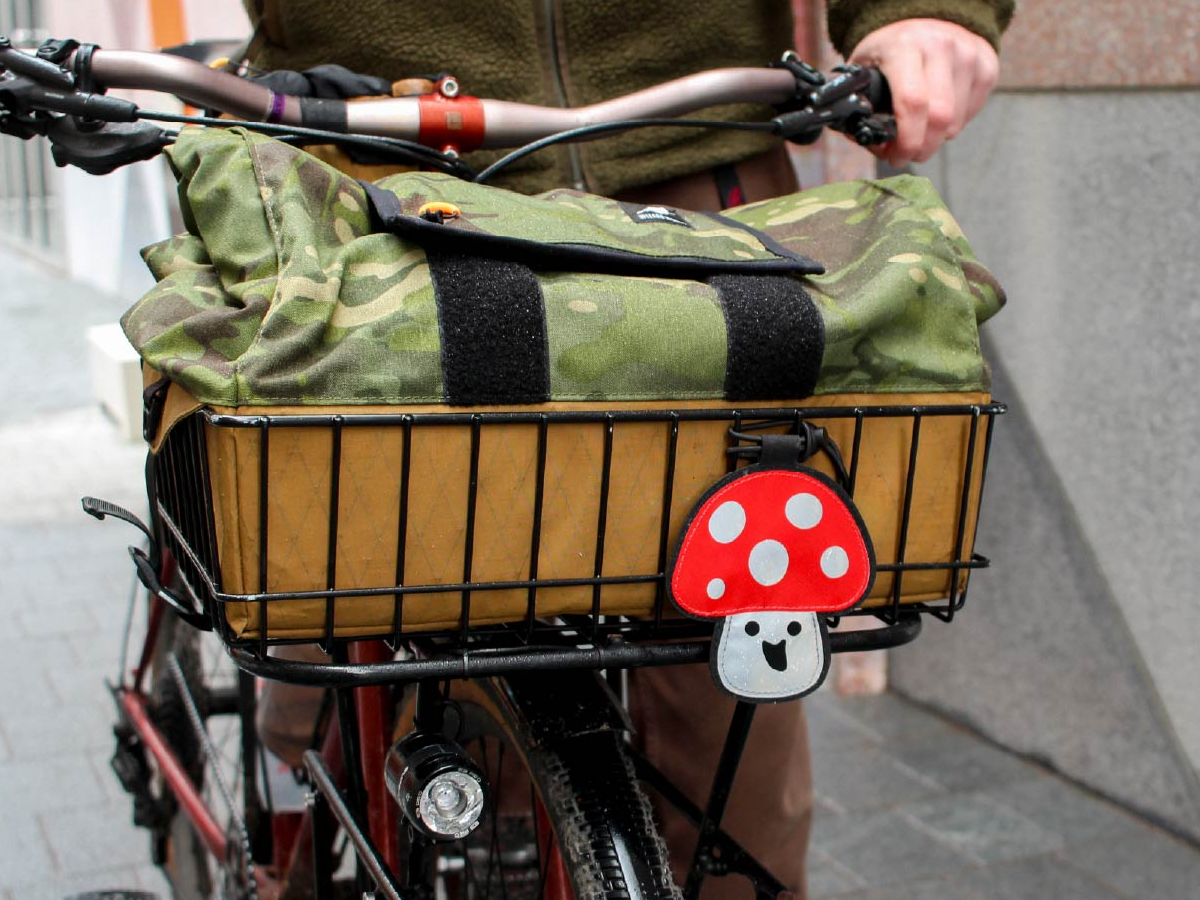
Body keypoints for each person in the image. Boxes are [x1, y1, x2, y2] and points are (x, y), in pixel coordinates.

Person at [244, 2, 1014, 897]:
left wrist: (923, 14)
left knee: (733, 689)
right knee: (341, 592)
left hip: (700, 180)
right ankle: (289, 792)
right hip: (387, 175)